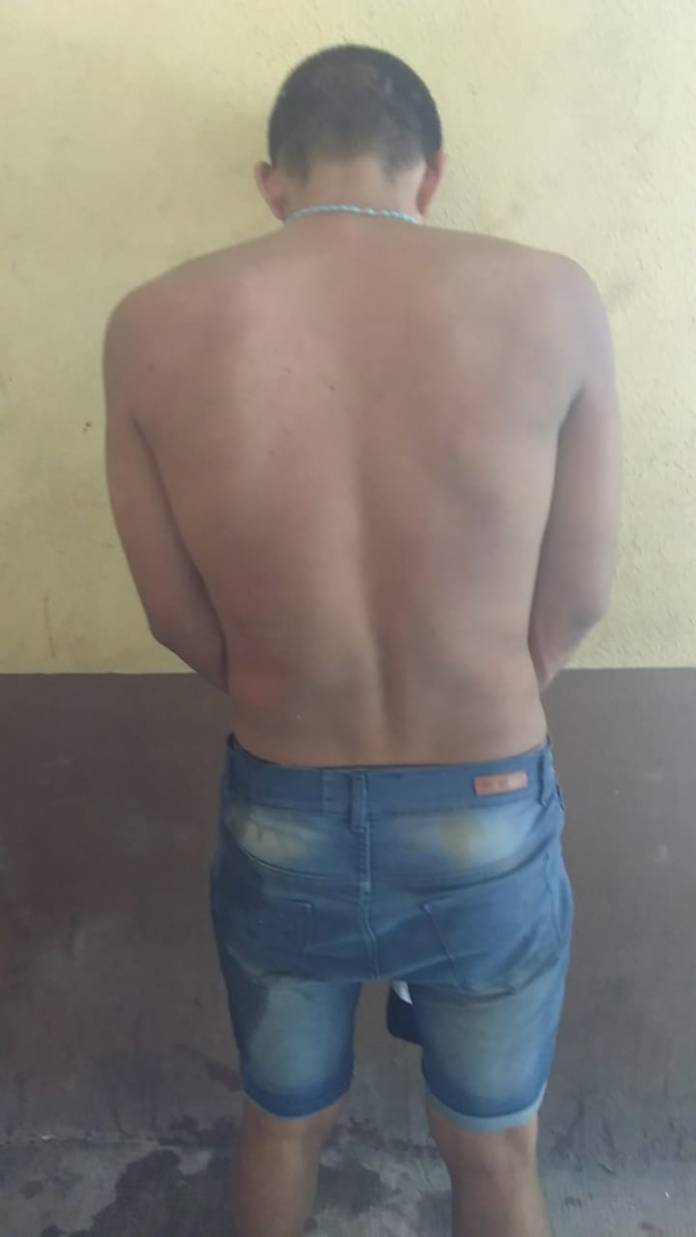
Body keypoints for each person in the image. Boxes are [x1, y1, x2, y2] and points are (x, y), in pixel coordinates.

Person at [103, 44, 621, 1237]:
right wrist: (488, 696)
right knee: (496, 1149)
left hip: (285, 796)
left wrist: (286, 696)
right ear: (429, 174)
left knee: (283, 1124)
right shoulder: (553, 298)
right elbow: (582, 594)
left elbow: (170, 612)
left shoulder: (151, 324)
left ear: (271, 181)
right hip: (487, 798)